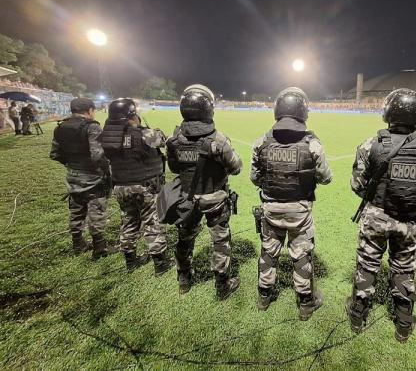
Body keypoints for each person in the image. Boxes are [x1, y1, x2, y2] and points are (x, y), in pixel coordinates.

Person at [345, 88, 416, 341]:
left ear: (388, 112)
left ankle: (358, 314)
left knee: (367, 264)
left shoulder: (371, 144)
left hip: (376, 216)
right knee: (404, 267)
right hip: (409, 220)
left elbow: (358, 185)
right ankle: (403, 322)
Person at [250, 87, 333, 321]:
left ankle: (264, 297)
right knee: (301, 255)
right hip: (300, 211)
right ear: (303, 112)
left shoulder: (261, 142)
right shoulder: (312, 144)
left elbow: (254, 178)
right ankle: (306, 304)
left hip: (270, 209)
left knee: (268, 252)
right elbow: (326, 178)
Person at [166, 84, 242, 298]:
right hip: (215, 197)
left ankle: (184, 280)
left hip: (186, 198)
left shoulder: (173, 141)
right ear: (208, 109)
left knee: (185, 238)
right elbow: (236, 167)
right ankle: (222, 285)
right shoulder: (218, 140)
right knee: (220, 239)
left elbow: (173, 168)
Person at [99, 98, 173, 276]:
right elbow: (165, 141)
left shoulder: (107, 137)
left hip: (120, 187)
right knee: (152, 222)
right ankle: (160, 263)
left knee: (129, 221)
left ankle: (131, 260)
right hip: (144, 186)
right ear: (132, 115)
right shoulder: (144, 134)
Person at [49, 97, 113, 259]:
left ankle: (78, 243)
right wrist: (106, 171)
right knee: (96, 210)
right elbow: (98, 154)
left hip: (72, 176)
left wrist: (72, 164)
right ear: (90, 110)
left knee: (76, 211)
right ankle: (99, 248)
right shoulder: (92, 127)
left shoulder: (61, 128)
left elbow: (55, 154)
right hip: (93, 177)